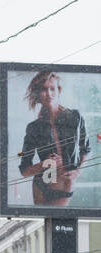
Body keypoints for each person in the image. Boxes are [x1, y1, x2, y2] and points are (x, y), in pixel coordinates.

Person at [18, 69, 91, 208]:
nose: (49, 94)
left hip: (65, 185)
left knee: (58, 220)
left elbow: (86, 149)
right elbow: (24, 170)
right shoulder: (34, 127)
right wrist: (45, 163)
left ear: (59, 91)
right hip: (41, 184)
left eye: (52, 89)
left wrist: (78, 171)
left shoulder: (75, 117)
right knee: (44, 226)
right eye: (44, 89)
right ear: (38, 94)